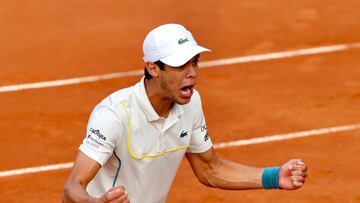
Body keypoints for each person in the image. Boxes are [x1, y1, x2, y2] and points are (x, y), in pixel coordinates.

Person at [62, 23, 308, 203]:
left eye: (195, 62)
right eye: (180, 65)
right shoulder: (114, 115)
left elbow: (209, 169)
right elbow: (71, 189)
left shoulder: (191, 104)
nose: (192, 73)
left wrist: (275, 177)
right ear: (153, 68)